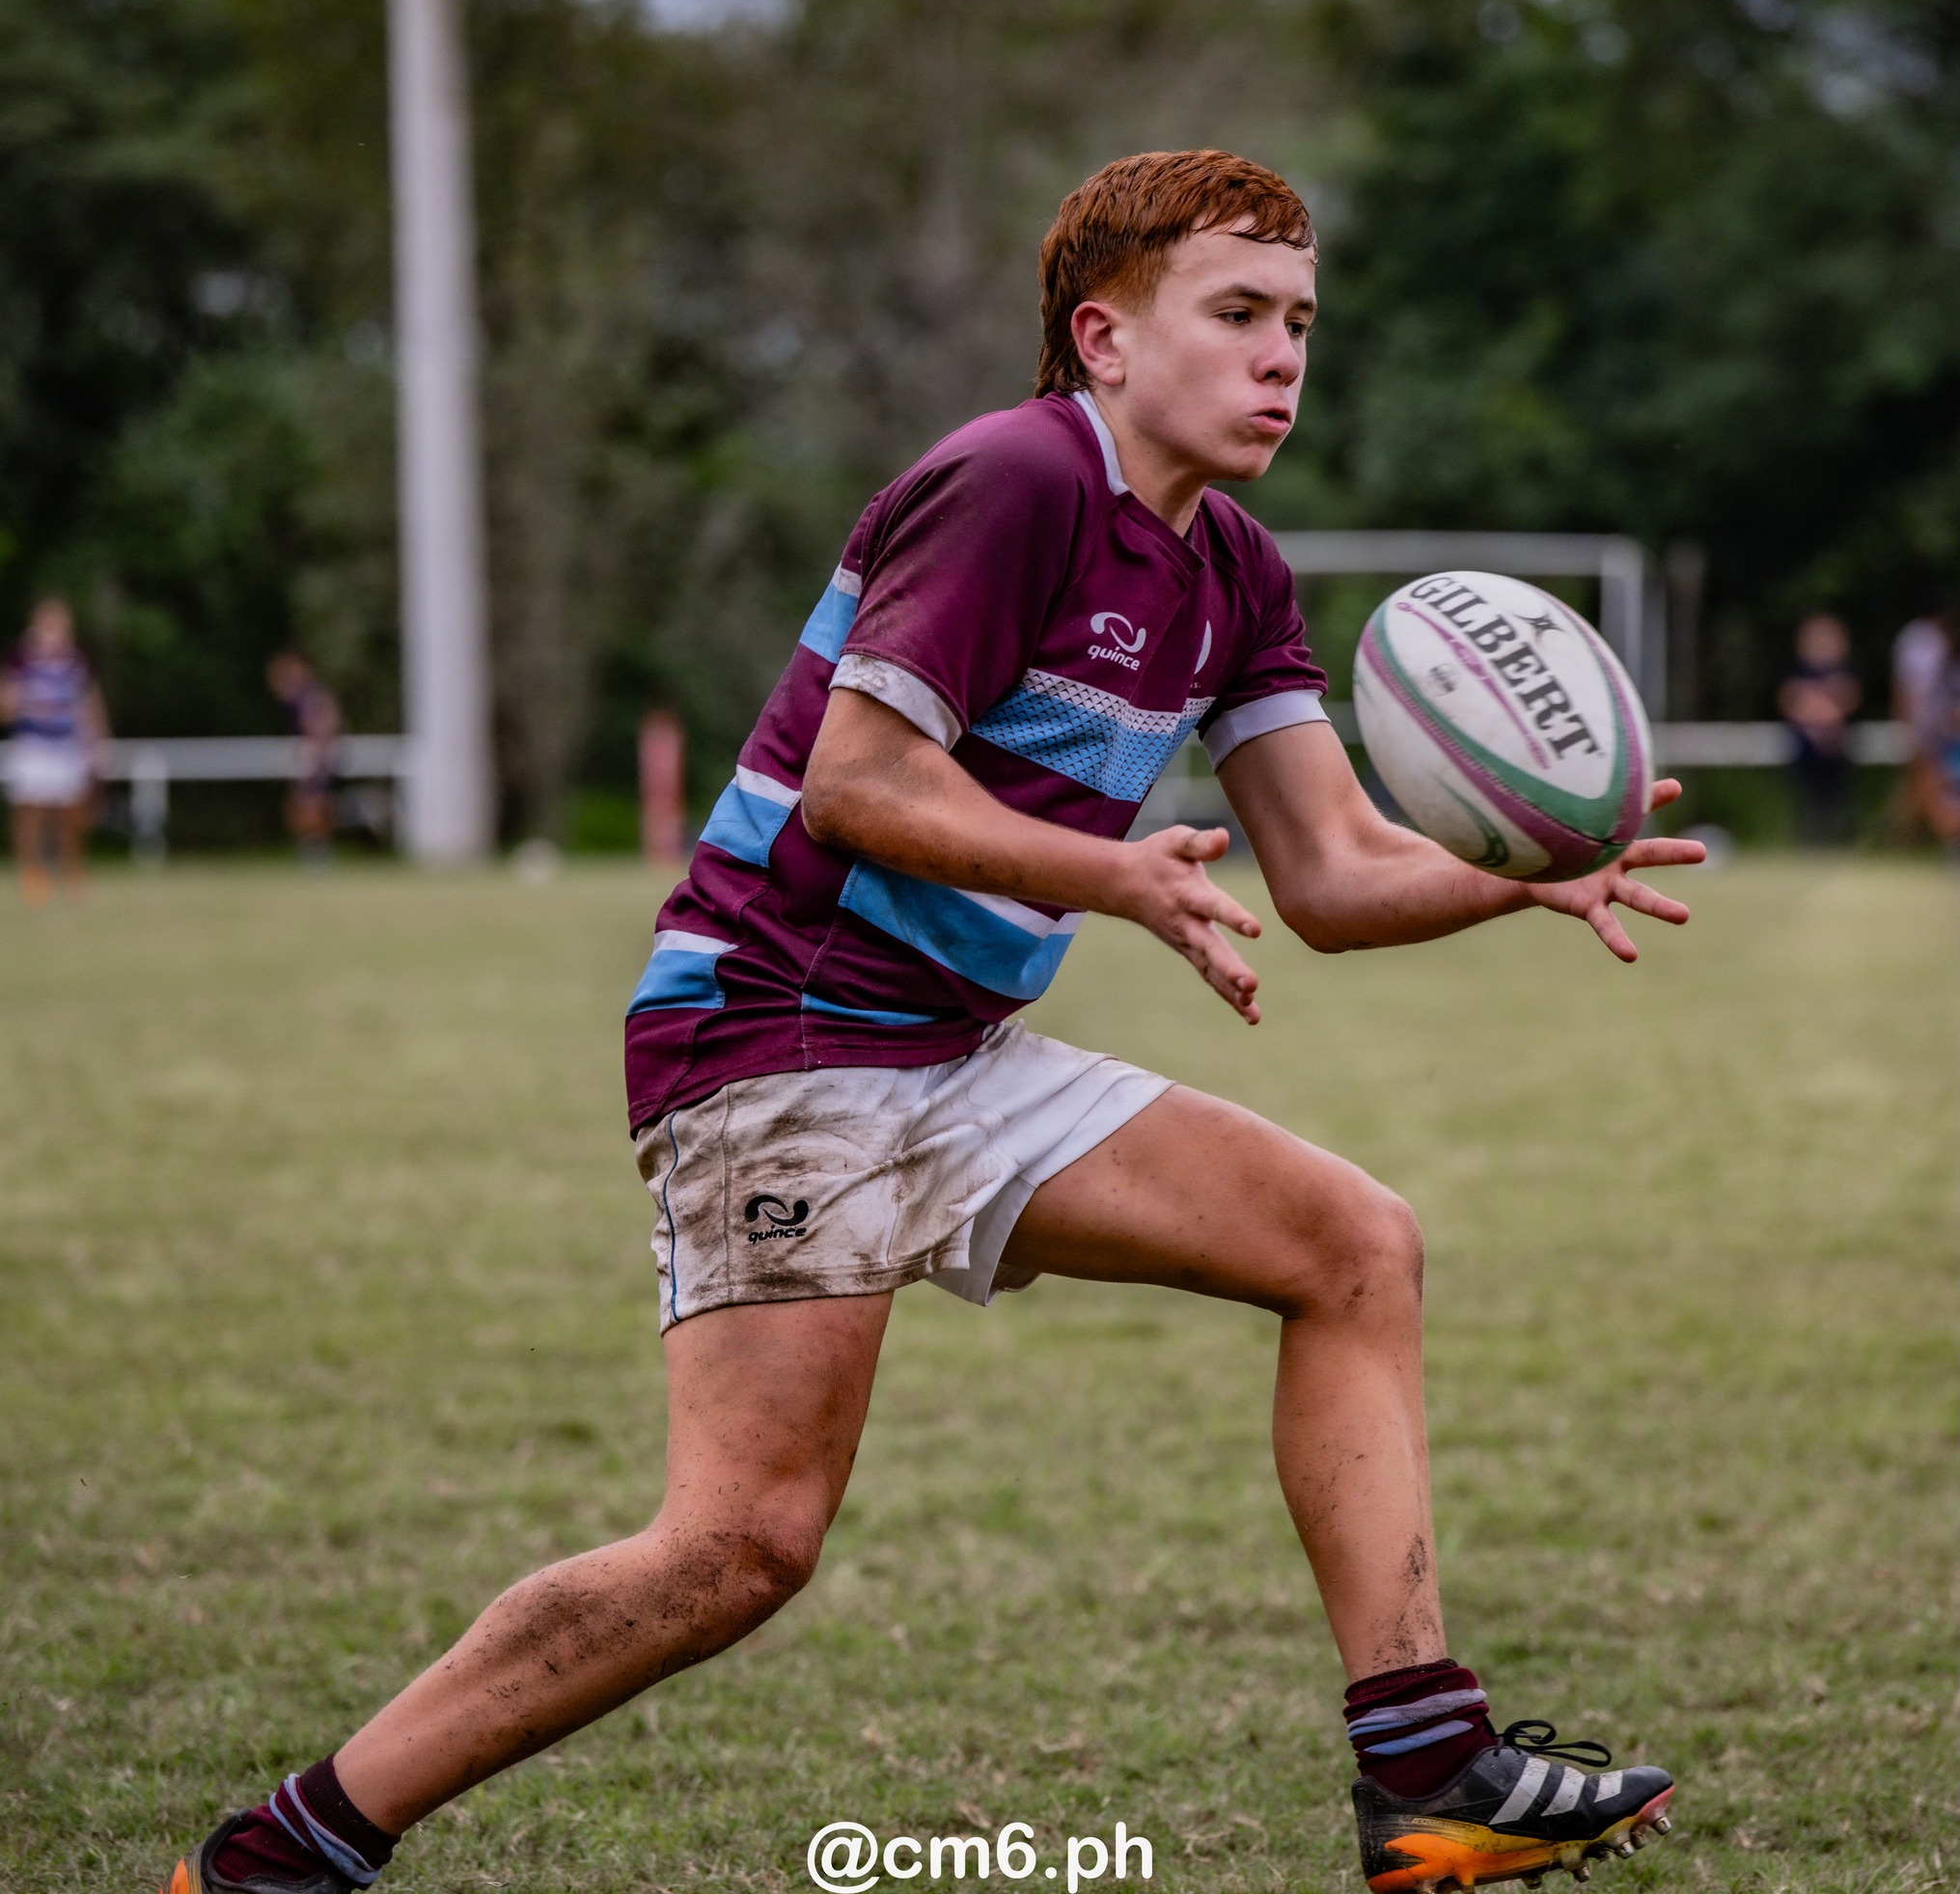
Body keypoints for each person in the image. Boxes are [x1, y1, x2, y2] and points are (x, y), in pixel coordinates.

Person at [162, 151, 1698, 1894]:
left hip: (948, 1053)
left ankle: (1432, 1778)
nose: (1283, 357)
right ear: (1102, 337)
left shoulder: (1236, 573)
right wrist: (1111, 876)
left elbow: (1335, 873)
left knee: (1353, 1242)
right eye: (1239, 314)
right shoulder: (1014, 478)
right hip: (778, 1033)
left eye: (1300, 323)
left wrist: (1531, 872)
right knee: (736, 1546)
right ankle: (282, 1853)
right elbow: (857, 782)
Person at [2, 597, 108, 906]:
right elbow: (6, 707)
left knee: (71, 814)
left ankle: (71, 870)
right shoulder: (20, 661)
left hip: (65, 747)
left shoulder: (76, 661)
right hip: (33, 745)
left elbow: (89, 703)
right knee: (30, 811)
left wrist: (98, 741)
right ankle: (32, 874)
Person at [1777, 613, 1862, 844]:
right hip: (1805, 745)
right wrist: (1821, 717)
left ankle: (1839, 836)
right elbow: (1789, 701)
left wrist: (1823, 717)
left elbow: (1849, 698)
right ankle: (1808, 837)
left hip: (1837, 745)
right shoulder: (1797, 669)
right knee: (1805, 795)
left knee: (1838, 794)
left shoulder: (1846, 668)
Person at [1891, 609, 1960, 849]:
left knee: (1922, 791)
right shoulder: (1924, 643)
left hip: (1942, 741)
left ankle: (1896, 842)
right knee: (1927, 791)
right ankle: (1897, 842)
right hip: (1936, 740)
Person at [266, 651, 342, 865]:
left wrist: (316, 749)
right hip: (314, 755)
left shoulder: (310, 696)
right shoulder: (305, 696)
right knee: (305, 805)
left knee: (312, 806)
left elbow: (324, 722)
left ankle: (317, 853)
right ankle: (314, 851)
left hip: (317, 757)